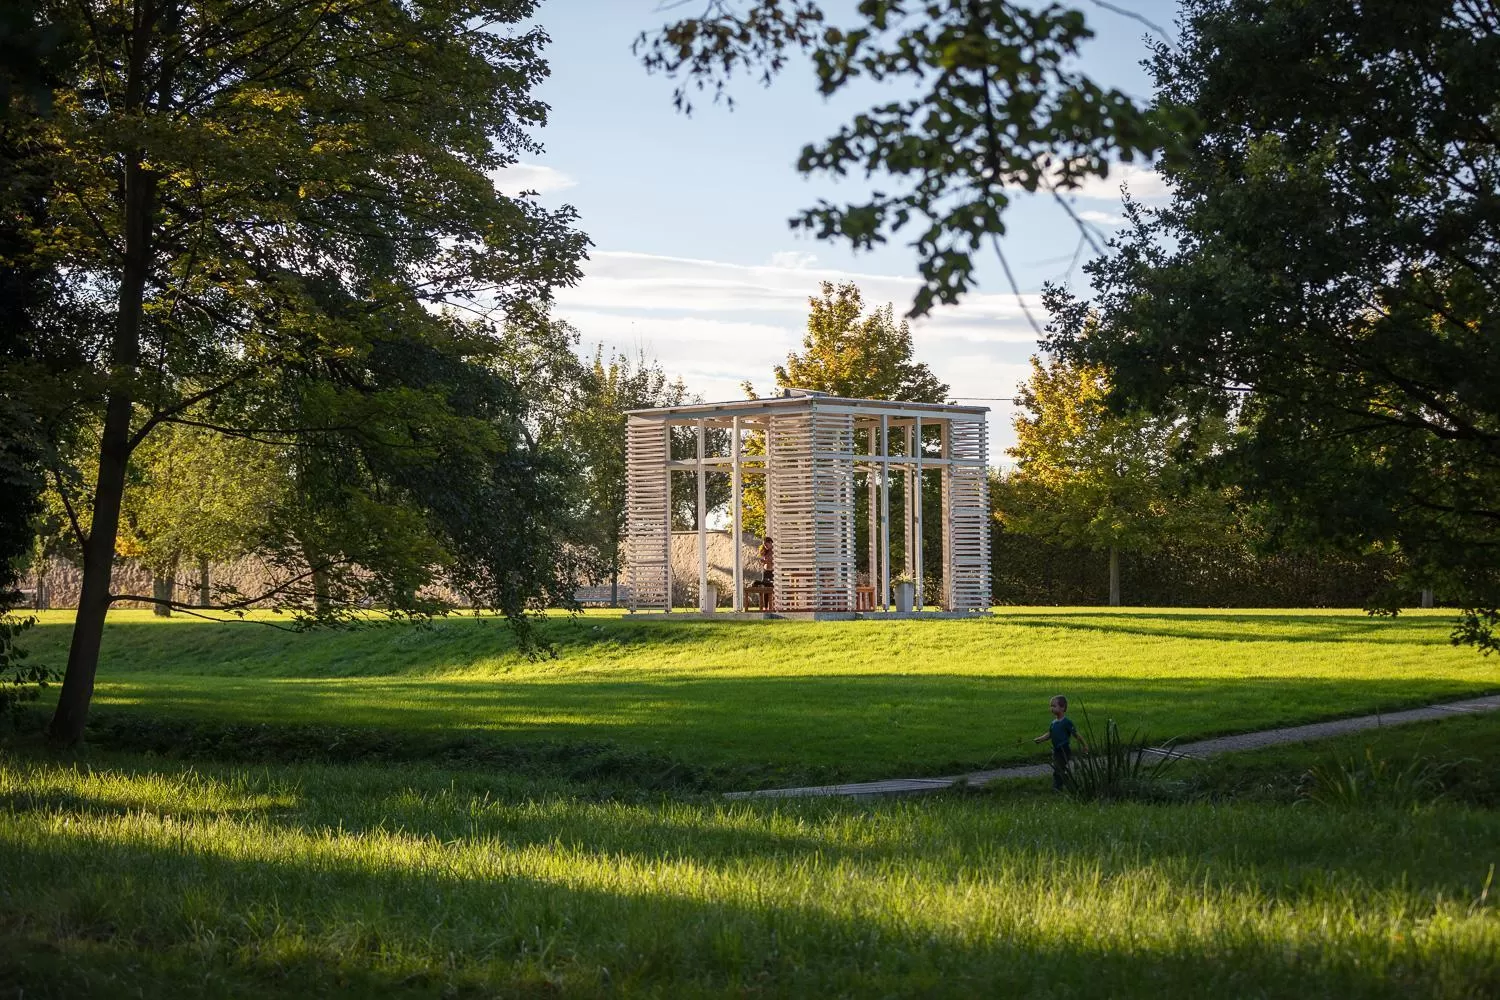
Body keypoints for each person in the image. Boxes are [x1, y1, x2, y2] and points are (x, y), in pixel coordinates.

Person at [1033, 695, 1087, 791]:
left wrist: (1084, 745)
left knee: (1058, 769)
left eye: (1054, 706)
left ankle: (1058, 787)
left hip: (1064, 750)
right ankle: (1064, 782)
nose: (1051, 708)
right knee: (1058, 768)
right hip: (1056, 750)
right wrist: (1040, 739)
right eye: (1051, 706)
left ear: (1062, 707)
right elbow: (1050, 734)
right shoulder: (1053, 723)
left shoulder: (1066, 722)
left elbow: (1076, 734)